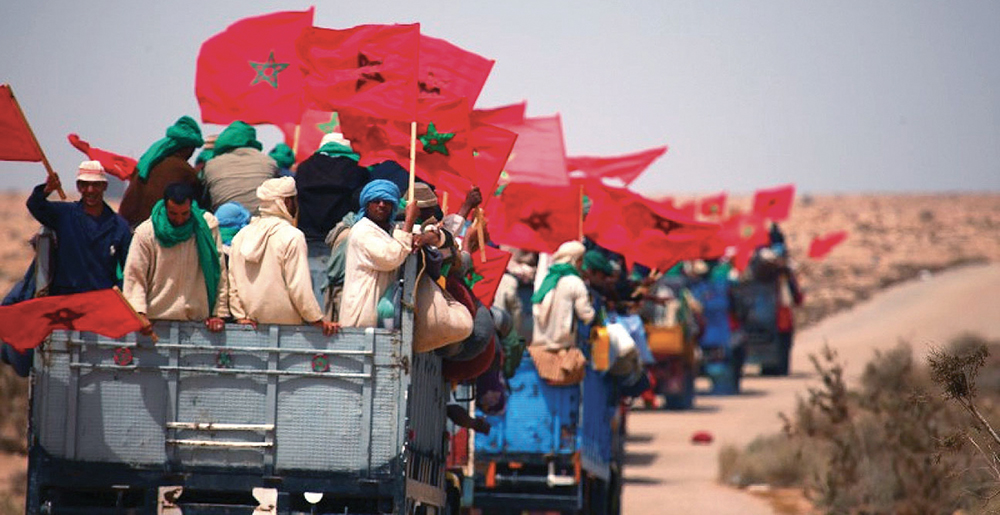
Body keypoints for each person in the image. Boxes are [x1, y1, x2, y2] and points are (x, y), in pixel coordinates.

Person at [227, 177, 338, 334]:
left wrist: (240, 316)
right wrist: (316, 319)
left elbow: (232, 280)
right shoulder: (292, 236)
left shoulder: (241, 235)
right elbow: (298, 286)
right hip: (289, 330)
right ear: (287, 202)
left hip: (249, 326)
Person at [123, 183, 229, 332]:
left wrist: (219, 312)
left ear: (191, 207)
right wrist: (139, 312)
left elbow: (219, 269)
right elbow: (135, 275)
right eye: (173, 214)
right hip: (157, 320)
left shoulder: (206, 226)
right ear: (165, 207)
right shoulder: (146, 233)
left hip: (198, 322)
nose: (179, 220)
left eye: (185, 214)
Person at [26, 161, 132, 295]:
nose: (90, 190)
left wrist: (119, 288)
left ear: (104, 186)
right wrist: (47, 189)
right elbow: (35, 205)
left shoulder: (119, 226)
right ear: (78, 187)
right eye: (85, 184)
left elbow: (130, 268)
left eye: (96, 185)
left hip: (102, 301)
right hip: (66, 302)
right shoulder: (64, 215)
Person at [339, 180, 433, 327]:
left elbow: (430, 233)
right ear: (367, 204)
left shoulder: (390, 230)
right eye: (376, 201)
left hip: (383, 316)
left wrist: (426, 236)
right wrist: (409, 220)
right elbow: (391, 257)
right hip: (361, 317)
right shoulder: (362, 231)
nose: (382, 205)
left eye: (387, 202)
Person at [119, 116, 204, 227]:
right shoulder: (185, 171)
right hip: (157, 230)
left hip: (126, 226)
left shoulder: (147, 161)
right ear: (188, 148)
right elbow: (199, 205)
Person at [531, 241, 595, 350]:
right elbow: (585, 314)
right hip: (562, 349)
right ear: (577, 261)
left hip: (538, 349)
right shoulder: (575, 282)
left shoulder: (546, 278)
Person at [202, 121, 277, 213]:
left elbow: (203, 201)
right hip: (263, 221)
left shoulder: (211, 165)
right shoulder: (268, 162)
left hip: (225, 222)